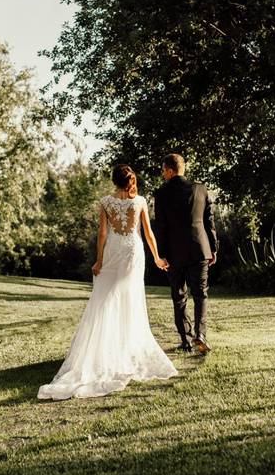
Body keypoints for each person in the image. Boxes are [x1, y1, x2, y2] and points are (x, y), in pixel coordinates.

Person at [38, 164, 178, 400]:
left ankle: (104, 352)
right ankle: (124, 350)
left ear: (114, 181)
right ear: (130, 180)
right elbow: (148, 233)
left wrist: (99, 260)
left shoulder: (105, 202)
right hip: (133, 252)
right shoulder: (141, 201)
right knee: (130, 300)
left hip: (114, 251)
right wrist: (157, 257)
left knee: (105, 300)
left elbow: (102, 234)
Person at [153, 153, 218, 355]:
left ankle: (186, 340)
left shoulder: (161, 194)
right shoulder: (200, 189)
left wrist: (161, 254)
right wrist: (213, 248)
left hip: (173, 253)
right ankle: (201, 334)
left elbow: (161, 227)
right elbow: (209, 221)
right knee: (200, 294)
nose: (163, 174)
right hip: (200, 249)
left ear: (170, 170)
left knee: (179, 296)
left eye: (164, 170)